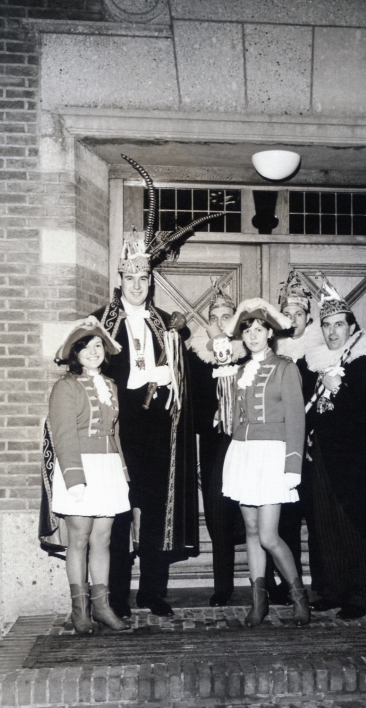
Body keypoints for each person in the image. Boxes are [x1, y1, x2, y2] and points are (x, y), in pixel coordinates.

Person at [92, 228, 199, 619]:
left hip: (157, 434)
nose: (137, 285)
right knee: (118, 513)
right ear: (120, 279)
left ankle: (152, 592)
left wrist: (172, 375)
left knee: (154, 510)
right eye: (131, 278)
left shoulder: (165, 324)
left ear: (151, 281)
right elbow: (91, 374)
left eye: (144, 278)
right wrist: (137, 380)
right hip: (118, 433)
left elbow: (184, 380)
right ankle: (117, 596)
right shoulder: (99, 323)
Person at [222, 298, 309, 627]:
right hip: (244, 454)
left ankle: (299, 597)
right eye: (247, 331)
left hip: (273, 455)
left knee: (269, 535)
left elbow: (297, 420)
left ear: (270, 333)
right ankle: (259, 603)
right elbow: (236, 418)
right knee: (252, 530)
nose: (253, 335)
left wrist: (293, 465)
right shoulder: (241, 370)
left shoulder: (286, 367)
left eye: (259, 329)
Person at [306, 274, 366, 619]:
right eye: (327, 325)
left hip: (356, 460)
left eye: (339, 324)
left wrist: (340, 387)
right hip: (322, 456)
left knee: (356, 525)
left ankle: (363, 595)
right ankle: (334, 590)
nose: (332, 332)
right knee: (326, 526)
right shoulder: (314, 361)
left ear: (351, 326)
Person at [47, 321, 131, 634]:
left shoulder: (110, 385)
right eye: (86, 347)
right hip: (79, 467)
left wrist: (122, 471)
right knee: (79, 538)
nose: (93, 352)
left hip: (107, 468)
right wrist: (74, 479)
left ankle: (103, 608)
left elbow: (114, 433)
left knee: (103, 539)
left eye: (98, 346)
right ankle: (80, 611)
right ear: (76, 353)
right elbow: (63, 435)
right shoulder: (66, 386)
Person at [187, 283, 247, 606]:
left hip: (247, 442)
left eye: (226, 316)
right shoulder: (199, 357)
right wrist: (211, 415)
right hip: (214, 444)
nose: (221, 322)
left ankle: (268, 582)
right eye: (214, 317)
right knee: (217, 513)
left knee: (255, 510)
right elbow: (192, 404)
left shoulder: (248, 351)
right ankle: (223, 586)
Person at [273, 270, 324, 601]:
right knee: (284, 518)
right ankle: (287, 585)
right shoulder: (272, 352)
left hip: (313, 446)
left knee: (317, 518)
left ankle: (322, 583)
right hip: (281, 446)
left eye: (298, 314)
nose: (292, 320)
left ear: (308, 317)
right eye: (287, 314)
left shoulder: (320, 351)